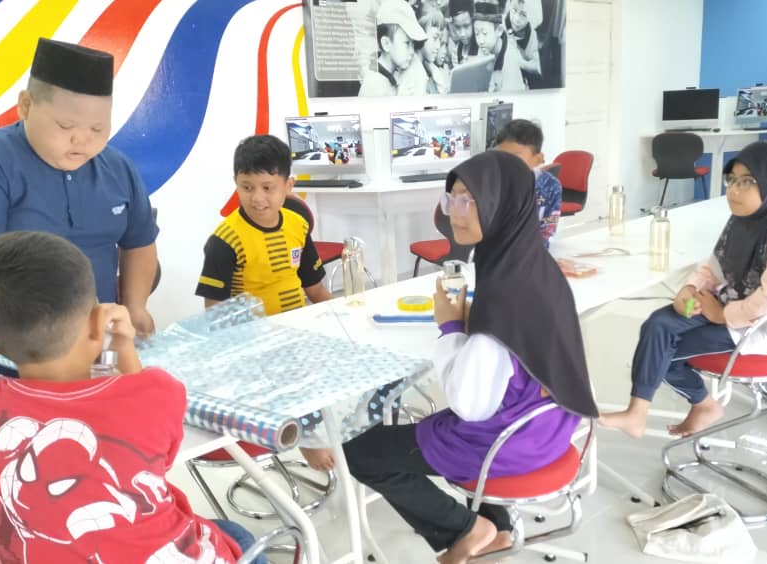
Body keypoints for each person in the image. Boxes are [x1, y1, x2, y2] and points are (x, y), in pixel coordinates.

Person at [0, 231, 262, 563]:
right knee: (235, 534)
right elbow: (145, 432)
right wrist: (121, 344)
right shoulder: (157, 392)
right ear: (98, 321)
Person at [343, 151, 598, 563]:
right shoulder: (535, 265)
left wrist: (450, 328)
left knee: (360, 451)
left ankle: (467, 528)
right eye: (452, 199)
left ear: (503, 204)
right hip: (551, 428)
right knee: (454, 415)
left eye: (469, 200)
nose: (455, 214)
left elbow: (470, 405)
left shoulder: (503, 300)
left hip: (509, 443)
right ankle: (498, 529)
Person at [0, 38, 159, 384]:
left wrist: (135, 305)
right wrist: (51, 317)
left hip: (99, 354)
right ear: (26, 105)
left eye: (97, 129)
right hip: (9, 362)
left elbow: (139, 242)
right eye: (66, 126)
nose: (82, 140)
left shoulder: (118, 168)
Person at [600, 141, 767, 438]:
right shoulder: (744, 219)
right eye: (732, 180)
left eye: (747, 181)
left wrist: (722, 315)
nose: (734, 190)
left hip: (757, 324)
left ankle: (702, 404)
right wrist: (689, 289)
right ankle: (639, 413)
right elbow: (714, 268)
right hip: (725, 304)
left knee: (663, 350)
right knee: (657, 326)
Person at [195, 134, 335, 471]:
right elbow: (216, 313)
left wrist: (340, 318)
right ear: (236, 184)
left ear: (288, 186)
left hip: (298, 330)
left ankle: (316, 430)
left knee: (333, 370)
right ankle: (307, 439)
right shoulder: (225, 241)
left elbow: (315, 288)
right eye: (247, 187)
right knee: (295, 375)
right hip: (254, 341)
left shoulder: (298, 226)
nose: (257, 198)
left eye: (267, 187)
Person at [492, 119, 561, 248]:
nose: (507, 163)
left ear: (538, 159)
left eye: (515, 157)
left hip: (534, 251)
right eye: (501, 156)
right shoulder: (493, 183)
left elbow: (548, 229)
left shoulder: (550, 186)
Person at [359, 0, 428, 96]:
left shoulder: (395, 75)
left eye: (413, 44)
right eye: (407, 43)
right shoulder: (373, 85)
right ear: (386, 44)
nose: (412, 51)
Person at [473, 0, 526, 92]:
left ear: (499, 30)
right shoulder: (485, 46)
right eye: (477, 33)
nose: (480, 41)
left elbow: (510, 97)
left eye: (485, 33)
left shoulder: (510, 57)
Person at [448, 0, 478, 66]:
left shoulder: (481, 46)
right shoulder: (457, 51)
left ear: (473, 21)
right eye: (458, 27)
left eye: (466, 26)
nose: (462, 34)